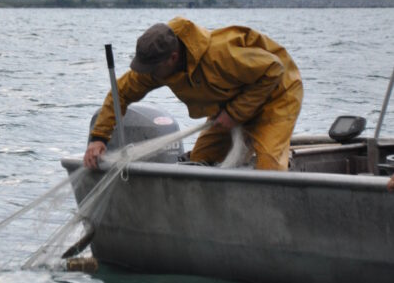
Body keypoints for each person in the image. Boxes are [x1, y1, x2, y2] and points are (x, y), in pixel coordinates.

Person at [84, 17, 303, 171]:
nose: (147, 74)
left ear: (172, 58)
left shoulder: (220, 53)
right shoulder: (157, 67)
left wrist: (235, 113)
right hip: (230, 103)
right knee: (199, 163)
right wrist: (99, 137)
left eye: (152, 68)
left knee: (269, 166)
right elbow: (120, 92)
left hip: (277, 94)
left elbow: (274, 69)